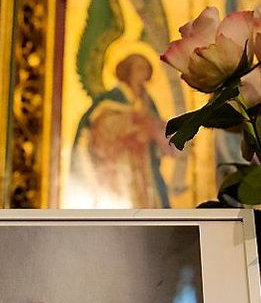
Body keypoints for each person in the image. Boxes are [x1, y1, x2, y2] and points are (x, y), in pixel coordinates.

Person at [69, 54, 179, 208]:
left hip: (144, 171)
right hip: (117, 171)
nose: (144, 75)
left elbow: (159, 132)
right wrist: (135, 128)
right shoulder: (110, 102)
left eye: (147, 70)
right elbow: (99, 135)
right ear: (128, 72)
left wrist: (156, 131)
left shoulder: (146, 102)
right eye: (140, 69)